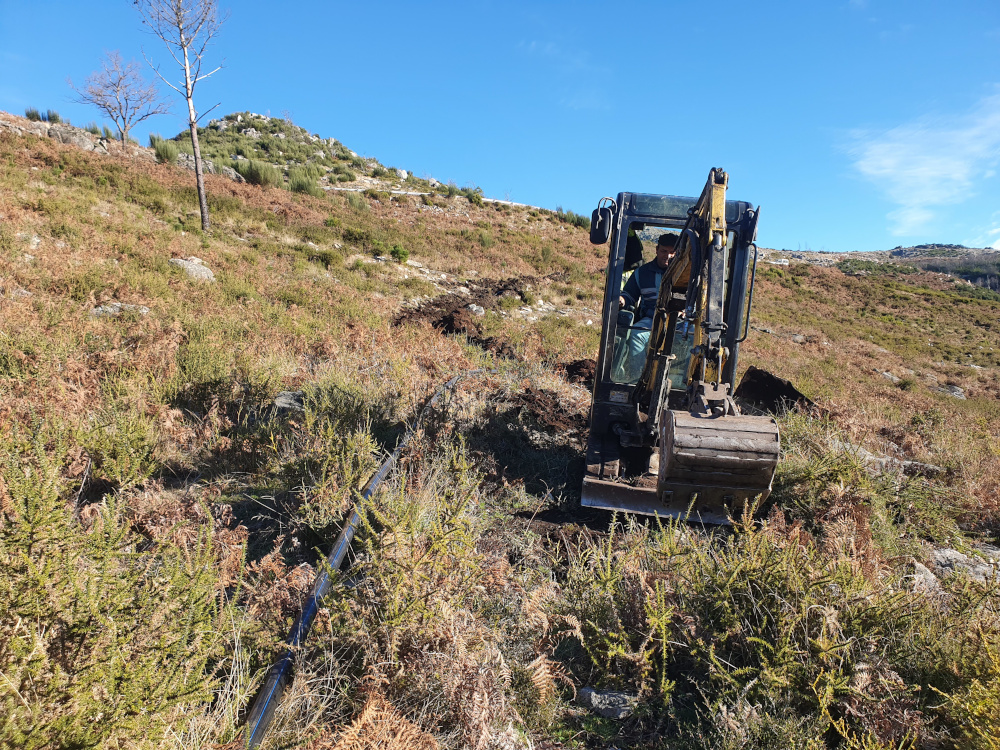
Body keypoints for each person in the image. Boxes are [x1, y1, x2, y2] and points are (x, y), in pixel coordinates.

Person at [613, 233, 678, 382]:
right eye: (664, 251)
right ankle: (639, 380)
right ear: (656, 249)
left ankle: (680, 384)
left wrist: (684, 312)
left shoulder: (687, 274)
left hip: (679, 322)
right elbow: (629, 294)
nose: (668, 256)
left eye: (672, 252)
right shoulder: (642, 273)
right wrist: (622, 300)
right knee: (636, 336)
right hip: (651, 320)